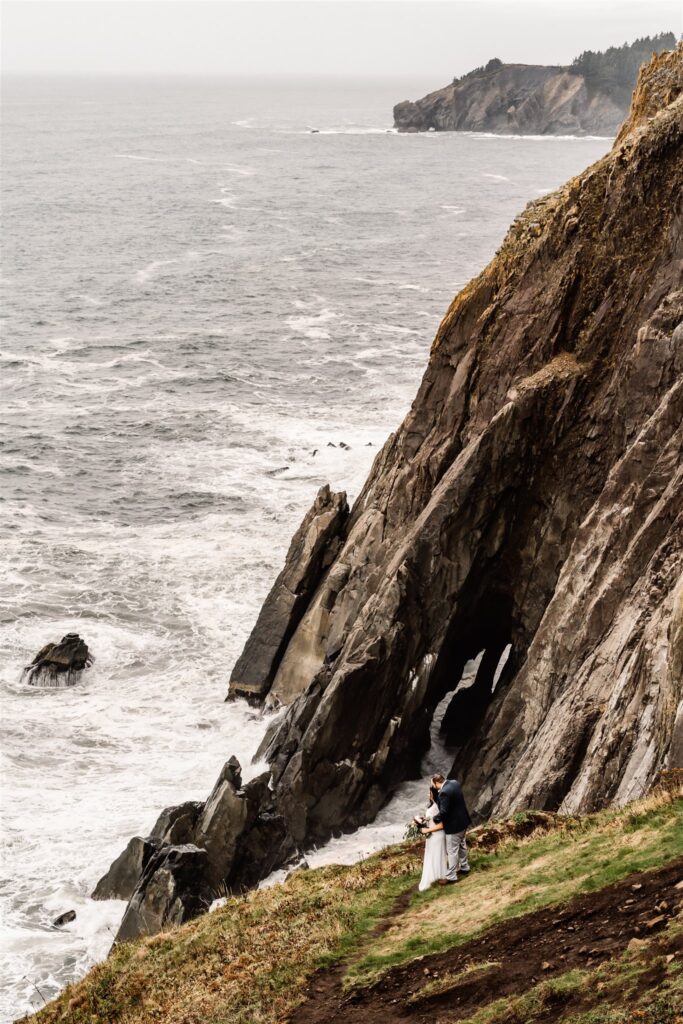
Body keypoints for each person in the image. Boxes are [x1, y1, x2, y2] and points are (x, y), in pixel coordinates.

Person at [420, 773, 471, 884]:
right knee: (462, 846)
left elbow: (443, 813)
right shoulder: (454, 783)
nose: (432, 786)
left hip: (454, 826)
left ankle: (451, 876)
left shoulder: (443, 793)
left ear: (437, 782)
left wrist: (434, 819)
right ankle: (465, 867)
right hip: (463, 821)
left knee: (452, 851)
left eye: (432, 784)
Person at [416, 780, 448, 891]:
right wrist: (424, 819)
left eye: (429, 792)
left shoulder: (437, 807)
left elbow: (442, 824)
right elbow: (433, 819)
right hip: (433, 836)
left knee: (436, 856)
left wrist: (427, 830)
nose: (427, 794)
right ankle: (437, 877)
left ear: (433, 794)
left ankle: (438, 877)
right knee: (433, 856)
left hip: (436, 835)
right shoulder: (435, 805)